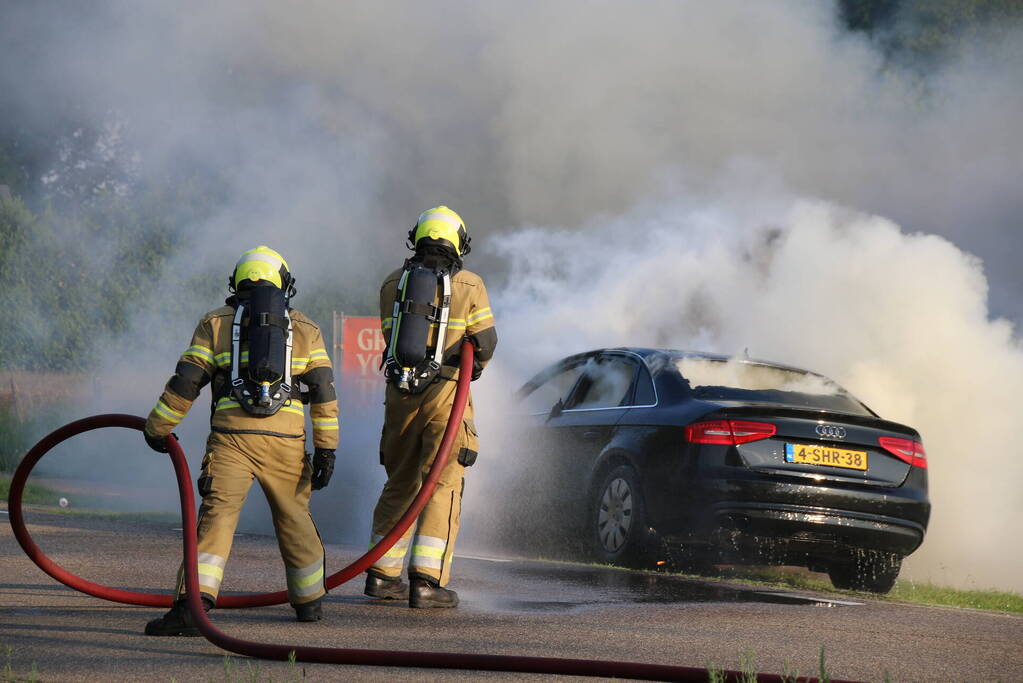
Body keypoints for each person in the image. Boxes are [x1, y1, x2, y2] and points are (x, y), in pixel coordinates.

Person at [142, 246, 339, 636]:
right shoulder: (306, 328)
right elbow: (323, 394)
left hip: (232, 439)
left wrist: (157, 427)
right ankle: (309, 602)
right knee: (294, 518)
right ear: (285, 284)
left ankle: (190, 609)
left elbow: (187, 381)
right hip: (286, 440)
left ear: (237, 283)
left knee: (217, 520)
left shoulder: (215, 323)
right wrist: (327, 449)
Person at [365, 205, 497, 608]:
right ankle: (427, 582)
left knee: (400, 483)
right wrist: (470, 369)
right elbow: (487, 343)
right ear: (458, 242)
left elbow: (393, 340)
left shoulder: (391, 283)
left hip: (399, 398)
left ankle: (382, 576)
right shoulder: (470, 284)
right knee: (443, 484)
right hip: (446, 398)